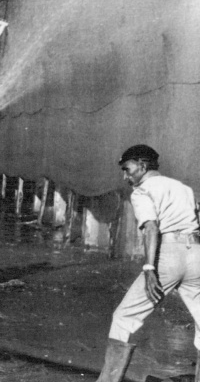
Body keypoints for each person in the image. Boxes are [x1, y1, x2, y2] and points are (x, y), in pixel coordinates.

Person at [96, 145, 200, 381]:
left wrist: (149, 268)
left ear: (142, 166)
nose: (125, 176)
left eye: (127, 169)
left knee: (124, 317)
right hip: (196, 254)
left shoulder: (142, 191)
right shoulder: (184, 188)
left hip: (169, 255)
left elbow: (151, 228)